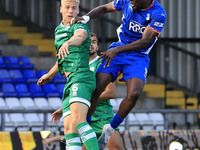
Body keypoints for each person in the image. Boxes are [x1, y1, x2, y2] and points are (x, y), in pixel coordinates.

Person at [65, 0, 167, 148]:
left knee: (134, 94)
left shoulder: (158, 13)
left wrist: (117, 50)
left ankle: (110, 128)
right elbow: (105, 8)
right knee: (96, 87)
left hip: (137, 56)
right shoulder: (126, 1)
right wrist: (86, 17)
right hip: (118, 50)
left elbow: (145, 41)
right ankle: (85, 127)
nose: (130, 2)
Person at [37, 0, 99, 149]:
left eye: (74, 8)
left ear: (78, 10)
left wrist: (69, 42)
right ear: (61, 9)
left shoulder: (79, 25)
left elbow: (80, 36)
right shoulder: (58, 30)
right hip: (70, 80)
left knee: (78, 120)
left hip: (81, 75)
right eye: (67, 7)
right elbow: (61, 58)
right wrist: (49, 75)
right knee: (70, 131)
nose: (70, 10)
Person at [51, 33, 124, 150]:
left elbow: (111, 93)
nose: (90, 45)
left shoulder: (103, 63)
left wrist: (84, 101)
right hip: (85, 120)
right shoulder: (77, 67)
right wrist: (64, 108)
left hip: (102, 118)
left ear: (98, 47)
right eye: (87, 42)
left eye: (94, 42)